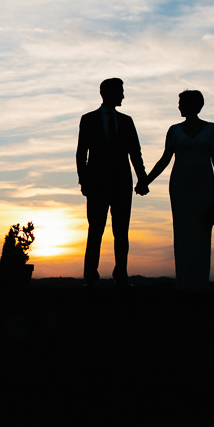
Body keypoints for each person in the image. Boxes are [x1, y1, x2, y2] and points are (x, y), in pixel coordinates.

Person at [137, 90, 214, 291]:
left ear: (194, 105)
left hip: (204, 185)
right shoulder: (174, 130)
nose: (178, 107)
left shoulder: (212, 129)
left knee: (202, 231)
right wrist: (146, 181)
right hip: (180, 187)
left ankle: (200, 282)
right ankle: (184, 282)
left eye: (181, 103)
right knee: (183, 231)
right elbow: (165, 159)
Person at [76, 78, 148, 288]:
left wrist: (142, 178)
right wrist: (84, 181)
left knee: (121, 232)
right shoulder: (88, 119)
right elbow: (81, 153)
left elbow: (135, 153)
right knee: (95, 231)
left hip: (122, 184)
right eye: (121, 91)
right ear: (108, 93)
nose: (123, 96)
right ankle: (90, 277)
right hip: (96, 185)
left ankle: (121, 276)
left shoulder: (127, 121)